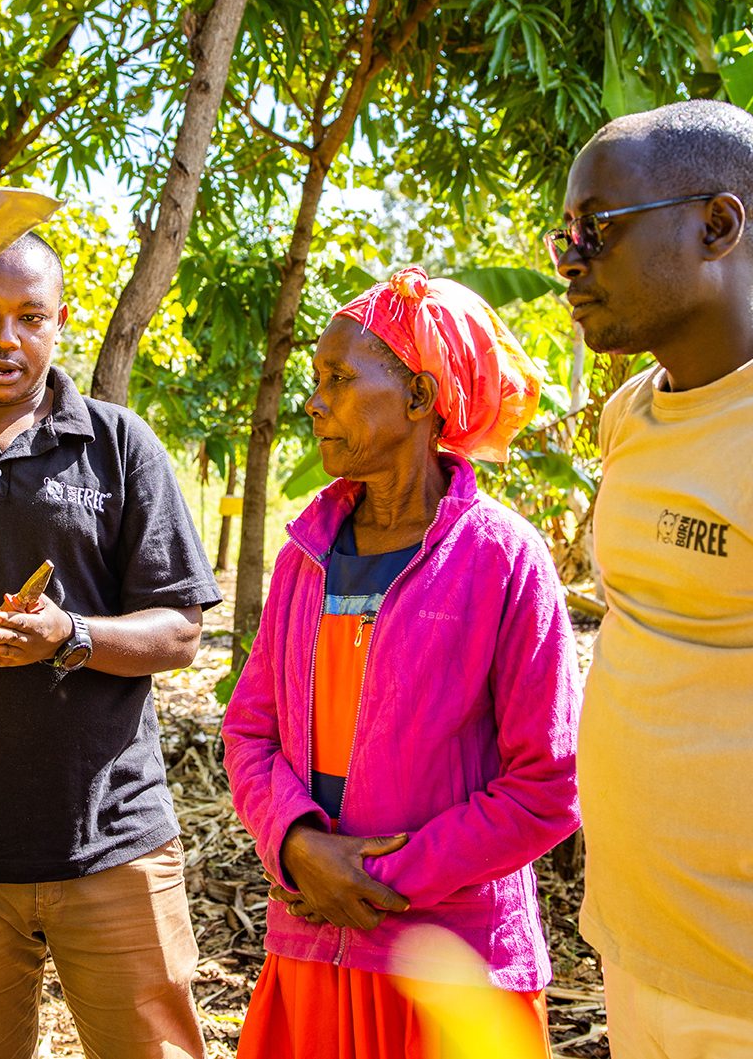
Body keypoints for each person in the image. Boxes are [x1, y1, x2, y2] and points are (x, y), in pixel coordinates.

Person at [548, 99, 753, 1058]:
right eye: (563, 234)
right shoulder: (633, 415)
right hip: (638, 947)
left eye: (595, 229)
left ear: (717, 226)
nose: (568, 260)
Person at [0, 232, 223, 1059]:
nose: (5, 338)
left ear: (60, 323)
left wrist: (71, 636)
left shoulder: (118, 445)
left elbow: (179, 627)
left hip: (112, 839)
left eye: (30, 317)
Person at [222, 268, 582, 1059]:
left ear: (420, 397)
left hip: (450, 966)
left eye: (341, 379)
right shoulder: (304, 558)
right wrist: (298, 846)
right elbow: (249, 734)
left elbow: (547, 787)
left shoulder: (502, 559)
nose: (315, 401)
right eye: (317, 380)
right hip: (313, 941)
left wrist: (384, 880)